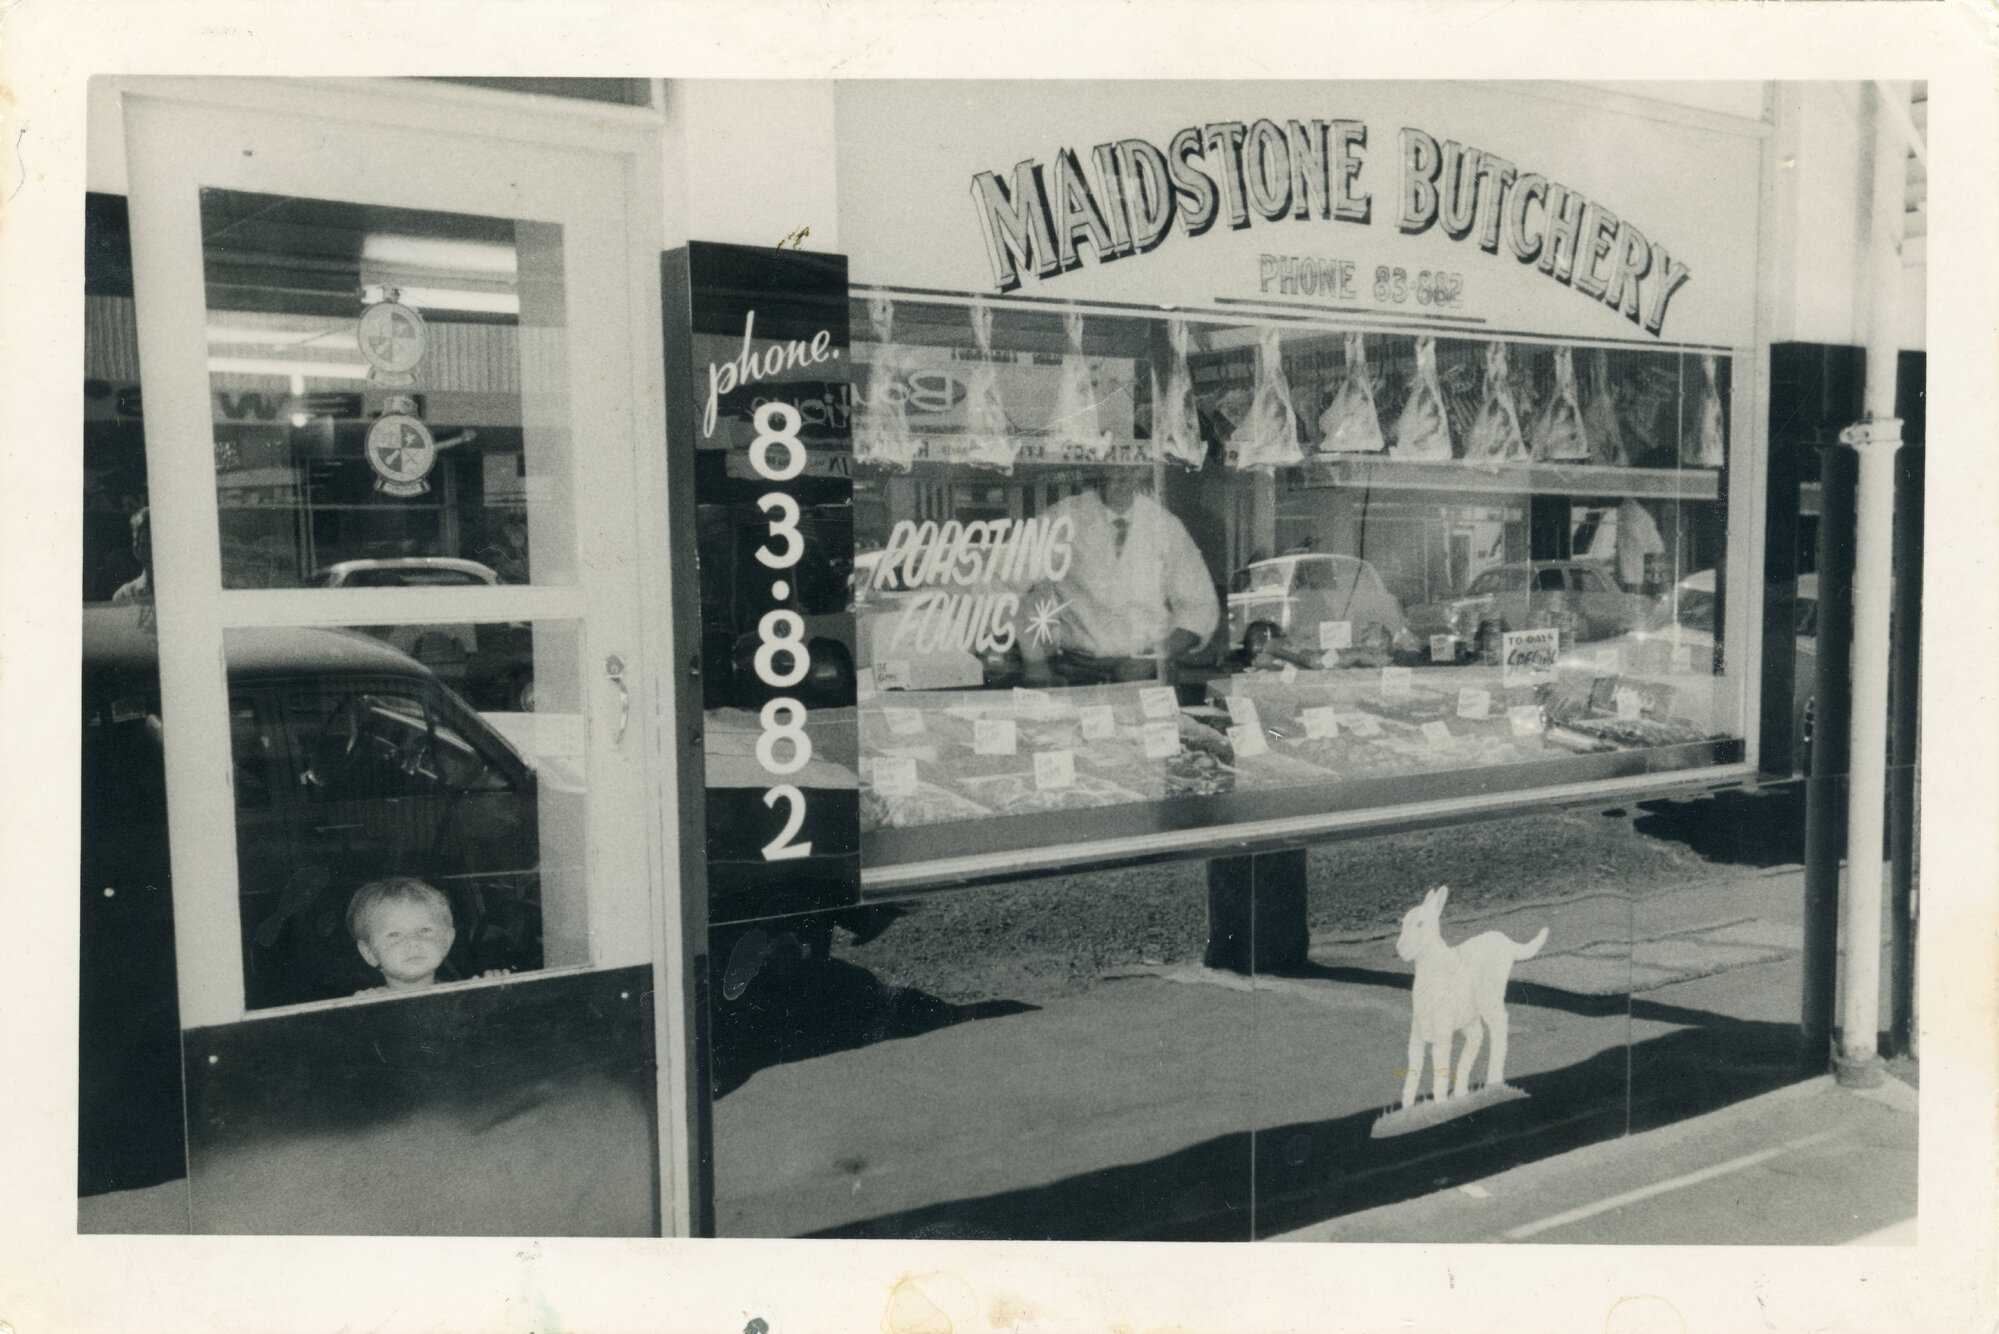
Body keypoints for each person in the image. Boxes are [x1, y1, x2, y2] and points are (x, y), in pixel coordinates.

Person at [1019, 469, 1220, 686]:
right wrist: (1035, 661)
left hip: (1149, 673)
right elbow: (1008, 586)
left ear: (1141, 474)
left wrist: (1154, 658)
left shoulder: (1165, 525)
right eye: (1112, 473)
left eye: (1128, 473)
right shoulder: (1062, 517)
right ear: (1098, 472)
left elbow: (1199, 608)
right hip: (1077, 672)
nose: (1120, 481)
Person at [345, 877, 509, 994]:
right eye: (394, 934)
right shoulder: (366, 1006)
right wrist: (364, 1011)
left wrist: (496, 995)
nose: (413, 942)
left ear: (446, 939)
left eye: (424, 930)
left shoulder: (462, 997)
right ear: (369, 953)